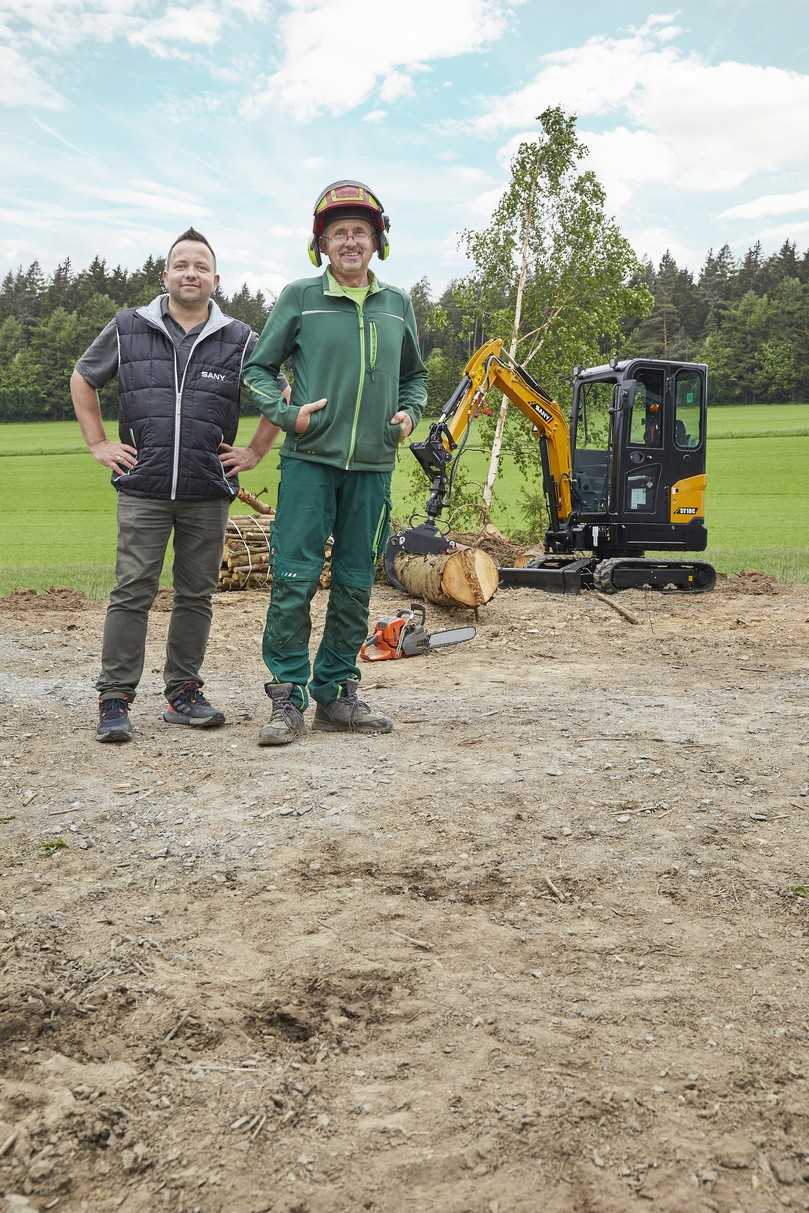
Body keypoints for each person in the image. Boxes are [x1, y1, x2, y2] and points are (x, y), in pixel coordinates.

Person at [70, 227, 285, 743]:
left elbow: (280, 391)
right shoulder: (127, 327)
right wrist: (98, 444)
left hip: (208, 490)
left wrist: (255, 450)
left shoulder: (242, 339)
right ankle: (115, 698)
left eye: (201, 266)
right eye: (181, 265)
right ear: (165, 275)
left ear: (216, 279)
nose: (191, 273)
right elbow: (83, 377)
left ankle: (183, 694)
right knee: (132, 591)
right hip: (142, 488)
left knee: (196, 595)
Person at [242, 180, 427, 745]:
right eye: (339, 233)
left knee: (353, 582)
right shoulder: (300, 296)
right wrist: (287, 412)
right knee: (294, 580)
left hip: (372, 467)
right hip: (308, 462)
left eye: (361, 232)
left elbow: (414, 377)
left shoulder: (397, 305)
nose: (350, 242)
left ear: (378, 242)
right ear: (321, 243)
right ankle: (286, 699)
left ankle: (337, 693)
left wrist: (410, 414)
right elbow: (257, 369)